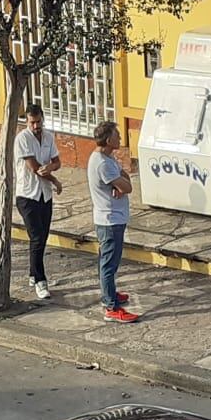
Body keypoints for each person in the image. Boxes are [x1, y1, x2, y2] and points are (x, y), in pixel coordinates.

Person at [87, 121, 138, 323]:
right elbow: (127, 186)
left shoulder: (107, 159)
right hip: (109, 220)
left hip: (113, 217)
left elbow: (124, 179)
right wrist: (123, 182)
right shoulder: (103, 164)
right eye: (116, 136)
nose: (119, 138)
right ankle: (111, 306)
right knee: (109, 264)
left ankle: (111, 294)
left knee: (110, 262)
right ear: (108, 140)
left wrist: (123, 181)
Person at [14, 103, 62, 299]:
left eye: (38, 122)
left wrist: (51, 169)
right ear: (27, 121)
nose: (36, 126)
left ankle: (33, 272)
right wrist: (55, 180)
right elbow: (35, 168)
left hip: (45, 195)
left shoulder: (49, 137)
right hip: (28, 195)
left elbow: (56, 161)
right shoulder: (22, 139)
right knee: (36, 238)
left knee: (42, 237)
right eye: (32, 123)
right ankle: (41, 281)